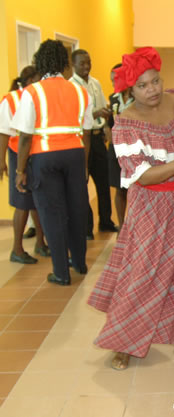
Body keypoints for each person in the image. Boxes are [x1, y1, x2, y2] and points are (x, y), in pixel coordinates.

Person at [87, 47, 174, 370]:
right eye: (143, 86)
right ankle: (123, 342)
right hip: (150, 206)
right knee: (142, 272)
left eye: (156, 81)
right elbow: (142, 176)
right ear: (129, 90)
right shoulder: (127, 124)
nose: (153, 90)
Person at [11, 39, 92, 286]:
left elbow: (25, 137)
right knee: (77, 209)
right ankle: (79, 263)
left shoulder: (32, 92)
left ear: (40, 62)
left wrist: (20, 170)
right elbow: (87, 131)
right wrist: (84, 165)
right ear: (64, 63)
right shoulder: (79, 90)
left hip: (45, 157)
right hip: (76, 155)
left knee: (51, 213)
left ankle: (61, 272)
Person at [0, 66, 50, 264]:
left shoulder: (37, 96)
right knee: (22, 203)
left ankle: (41, 243)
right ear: (29, 80)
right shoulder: (11, 99)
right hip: (17, 154)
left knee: (37, 201)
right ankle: (17, 249)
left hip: (36, 154)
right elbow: (3, 132)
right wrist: (1, 161)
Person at [70, 49, 117, 238]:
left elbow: (101, 107)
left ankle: (105, 221)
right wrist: (95, 114)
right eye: (82, 63)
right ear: (73, 65)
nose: (86, 66)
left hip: (97, 138)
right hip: (80, 140)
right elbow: (75, 115)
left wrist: (105, 121)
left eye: (88, 62)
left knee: (103, 182)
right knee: (82, 183)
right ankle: (87, 227)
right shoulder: (71, 86)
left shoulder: (96, 83)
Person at [106, 63, 132, 227]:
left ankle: (135, 225)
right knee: (119, 188)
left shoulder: (138, 97)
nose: (113, 84)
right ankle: (122, 227)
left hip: (133, 149)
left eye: (115, 80)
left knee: (135, 189)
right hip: (115, 149)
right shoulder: (113, 99)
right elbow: (109, 123)